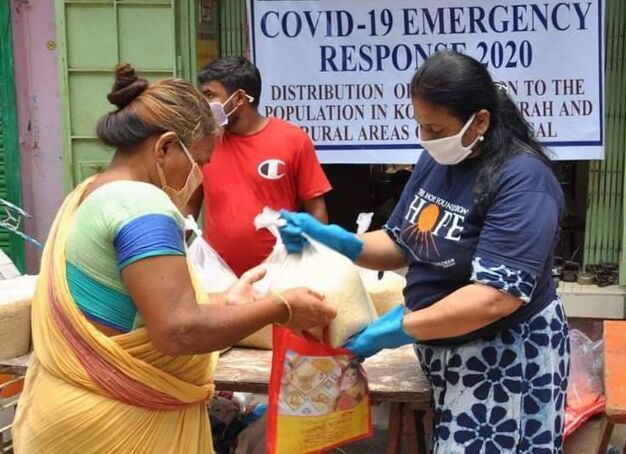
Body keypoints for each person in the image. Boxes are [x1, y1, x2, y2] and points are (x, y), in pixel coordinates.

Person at [12, 64, 336, 454]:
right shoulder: (141, 204)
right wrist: (280, 308)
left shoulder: (88, 192)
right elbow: (177, 329)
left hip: (65, 415)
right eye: (199, 162)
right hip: (115, 427)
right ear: (164, 147)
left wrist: (224, 303)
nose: (199, 175)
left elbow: (132, 309)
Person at [279, 51, 569, 453]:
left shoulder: (524, 181)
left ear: (480, 121)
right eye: (421, 127)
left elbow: (494, 297)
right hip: (443, 347)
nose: (427, 140)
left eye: (436, 128)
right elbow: (401, 242)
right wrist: (334, 240)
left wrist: (400, 328)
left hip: (503, 357)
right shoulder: (438, 161)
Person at [190, 56, 332, 277]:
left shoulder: (293, 139)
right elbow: (190, 207)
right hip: (217, 278)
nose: (204, 105)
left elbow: (316, 210)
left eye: (210, 96)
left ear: (238, 98)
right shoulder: (205, 142)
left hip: (279, 275)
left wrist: (318, 266)